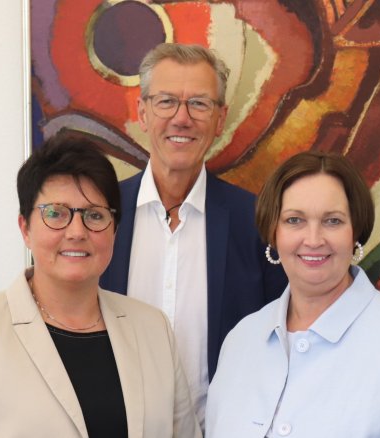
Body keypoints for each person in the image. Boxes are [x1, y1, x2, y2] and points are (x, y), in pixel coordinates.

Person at [0, 135, 200, 437]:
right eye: (56, 213)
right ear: (25, 228)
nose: (76, 231)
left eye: (94, 215)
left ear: (114, 230)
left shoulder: (153, 330)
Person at [205, 151, 380, 437]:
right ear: (273, 232)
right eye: (294, 220)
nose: (313, 239)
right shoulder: (240, 341)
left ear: (355, 231)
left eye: (332, 221)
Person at [99, 43, 287, 427]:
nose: (181, 119)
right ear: (143, 113)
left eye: (199, 104)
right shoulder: (99, 216)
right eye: (166, 101)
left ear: (220, 119)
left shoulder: (258, 223)